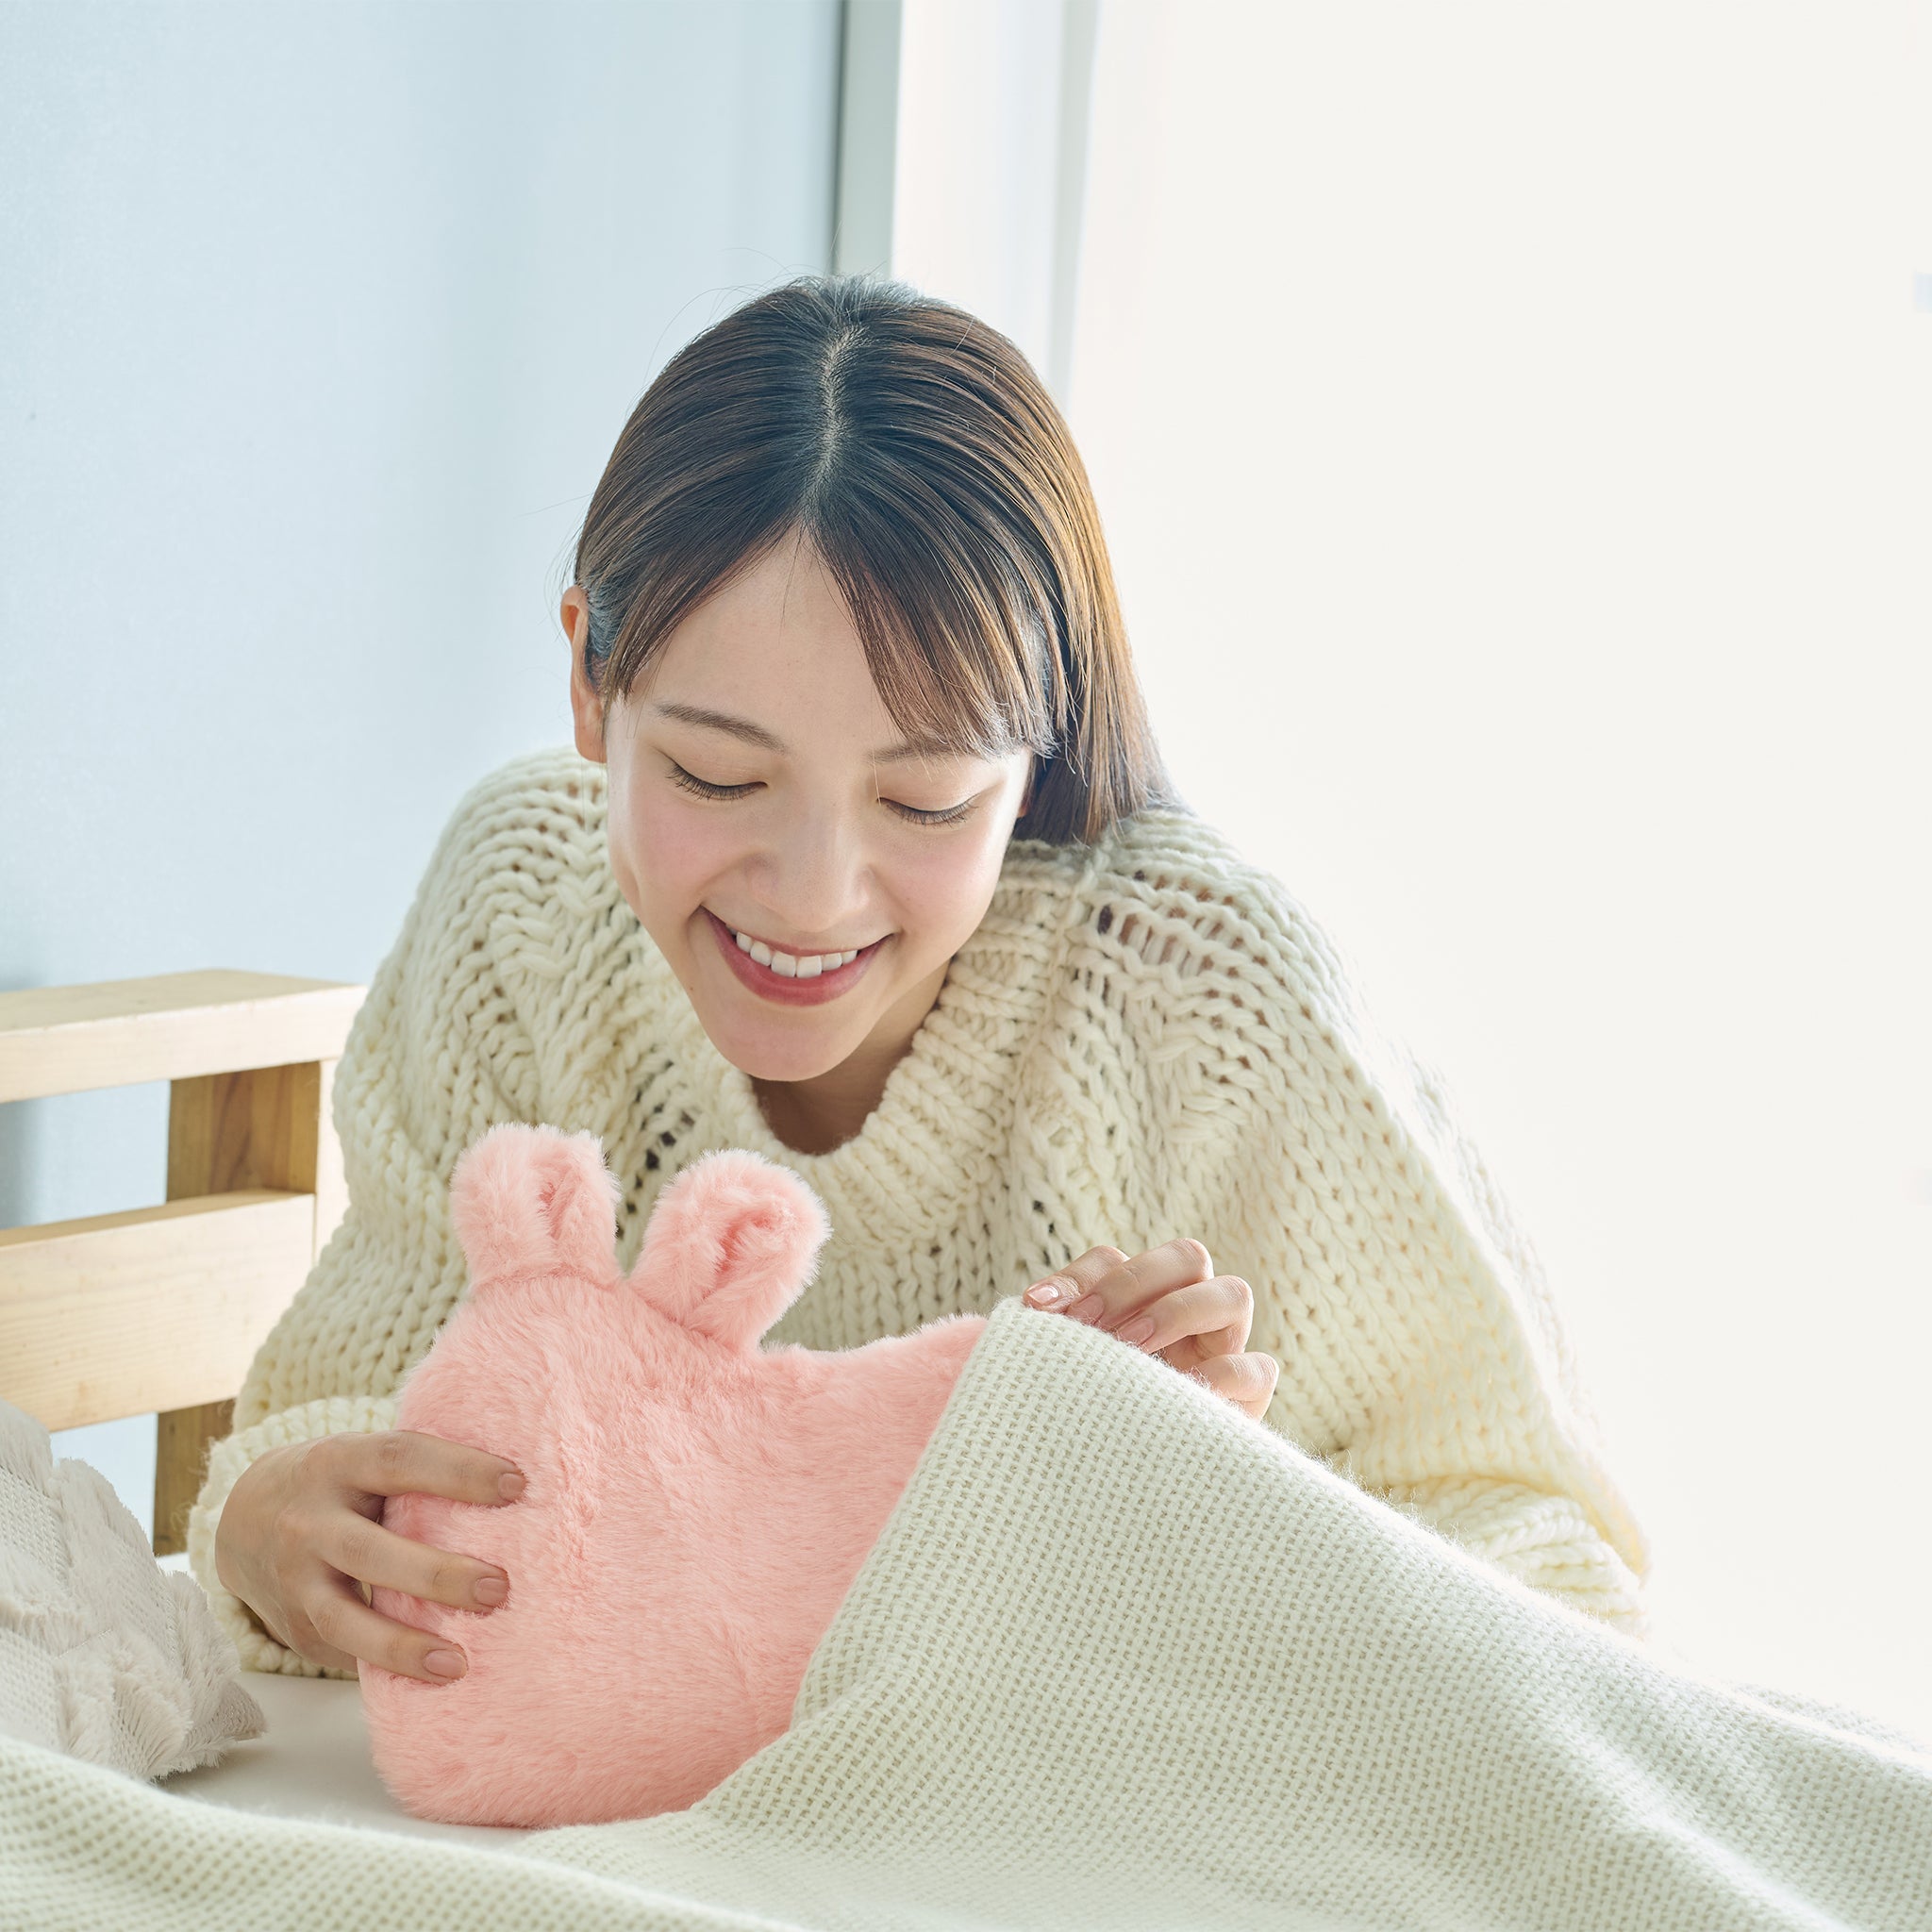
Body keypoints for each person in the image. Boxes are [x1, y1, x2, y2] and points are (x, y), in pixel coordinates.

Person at [192, 275, 1650, 1688]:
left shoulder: (1199, 1000)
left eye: (927, 800)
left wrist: (1206, 1523)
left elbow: (1555, 1568)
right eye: (717, 774)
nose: (812, 896)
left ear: (1035, 754)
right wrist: (264, 1528)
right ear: (589, 680)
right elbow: (345, 1413)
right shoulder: (523, 905)